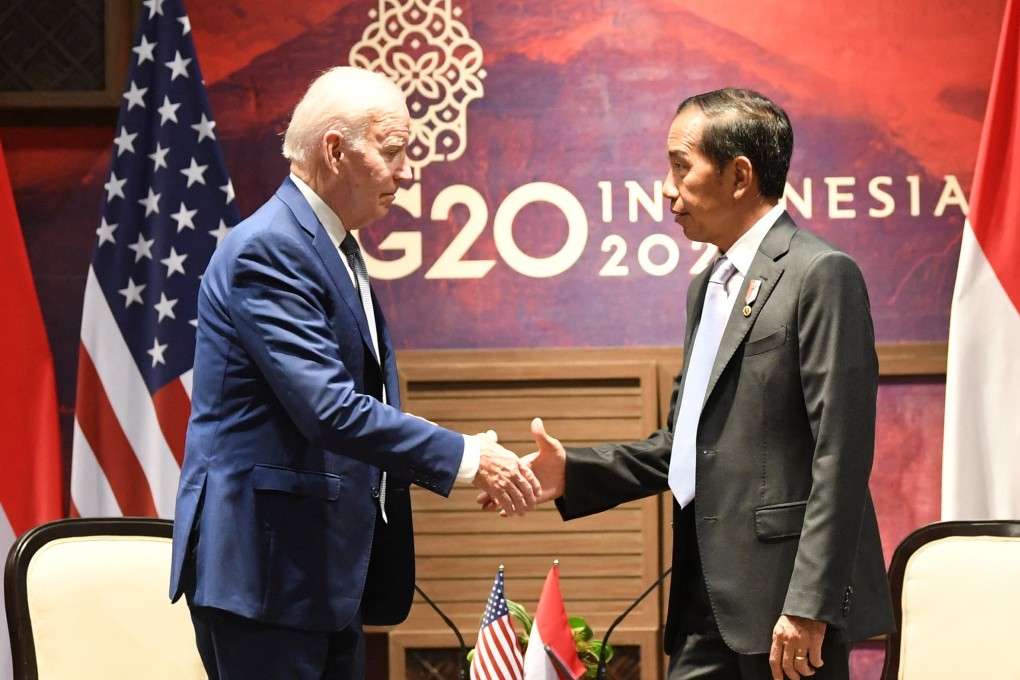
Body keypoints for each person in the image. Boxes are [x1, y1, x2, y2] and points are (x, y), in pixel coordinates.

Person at [484, 88, 894, 680]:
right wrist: (573, 472)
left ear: (739, 175)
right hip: (707, 604)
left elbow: (843, 453)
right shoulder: (709, 286)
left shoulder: (821, 274)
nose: (667, 187)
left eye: (681, 165)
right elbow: (685, 446)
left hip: (789, 610)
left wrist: (809, 605)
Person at [169, 66, 541, 680]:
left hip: (320, 575)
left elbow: (356, 399)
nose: (406, 171)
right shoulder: (271, 248)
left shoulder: (332, 243)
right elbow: (328, 409)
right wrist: (465, 457)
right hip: (265, 575)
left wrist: (457, 451)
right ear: (336, 149)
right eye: (393, 152)